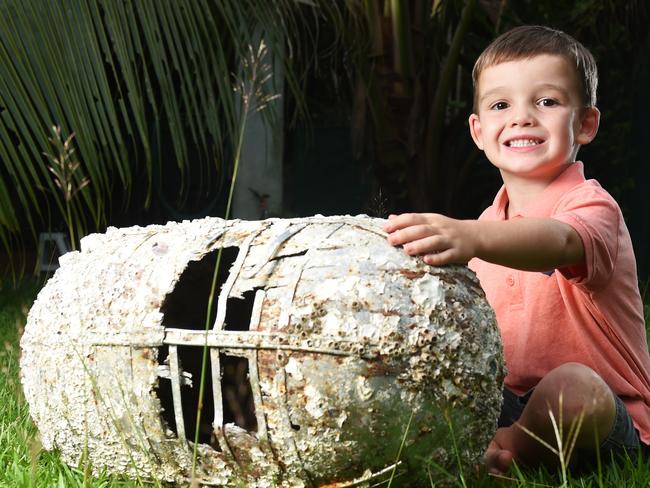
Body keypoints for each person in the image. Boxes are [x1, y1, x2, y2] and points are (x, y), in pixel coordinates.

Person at [383, 25, 650, 475]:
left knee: (574, 388)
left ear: (585, 124)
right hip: (504, 402)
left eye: (547, 102)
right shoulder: (487, 226)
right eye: (501, 105)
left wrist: (470, 238)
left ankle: (502, 453)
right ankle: (497, 447)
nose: (522, 117)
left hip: (601, 420)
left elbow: (561, 240)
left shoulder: (591, 205)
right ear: (478, 130)